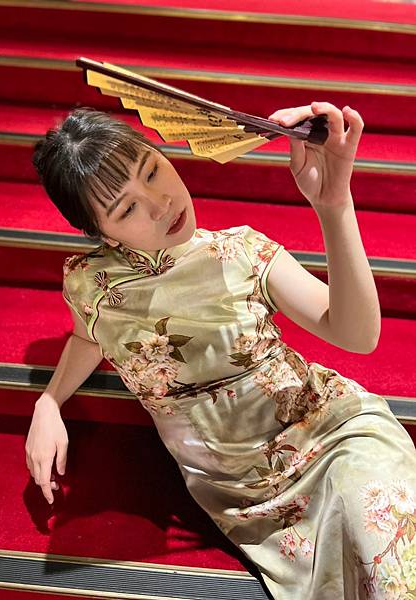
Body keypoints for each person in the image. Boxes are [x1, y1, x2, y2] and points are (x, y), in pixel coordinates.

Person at [26, 104, 416, 600]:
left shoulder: (240, 253)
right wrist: (49, 402)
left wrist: (334, 205)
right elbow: (88, 336)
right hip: (240, 494)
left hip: (332, 438)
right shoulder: (91, 285)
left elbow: (359, 336)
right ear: (101, 234)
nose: (161, 203)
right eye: (126, 209)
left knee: (391, 574)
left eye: (153, 170)